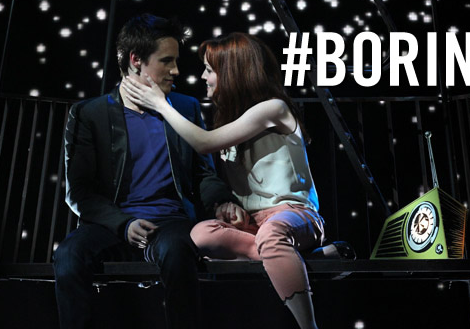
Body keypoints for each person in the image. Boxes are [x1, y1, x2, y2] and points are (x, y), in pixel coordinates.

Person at [122, 32, 333, 329]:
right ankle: (302, 257)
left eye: (210, 70)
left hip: (294, 215)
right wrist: (230, 207)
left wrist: (161, 105)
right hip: (254, 223)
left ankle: (308, 325)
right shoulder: (231, 118)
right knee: (201, 234)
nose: (204, 77)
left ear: (233, 72)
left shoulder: (273, 108)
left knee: (272, 235)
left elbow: (204, 143)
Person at [53, 14, 238, 329]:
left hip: (170, 222)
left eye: (176, 60)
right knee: (68, 255)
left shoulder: (184, 107)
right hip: (112, 224)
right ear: (135, 60)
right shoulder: (89, 114)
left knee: (178, 251)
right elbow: (80, 192)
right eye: (166, 61)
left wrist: (221, 201)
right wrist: (123, 223)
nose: (176, 70)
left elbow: (202, 173)